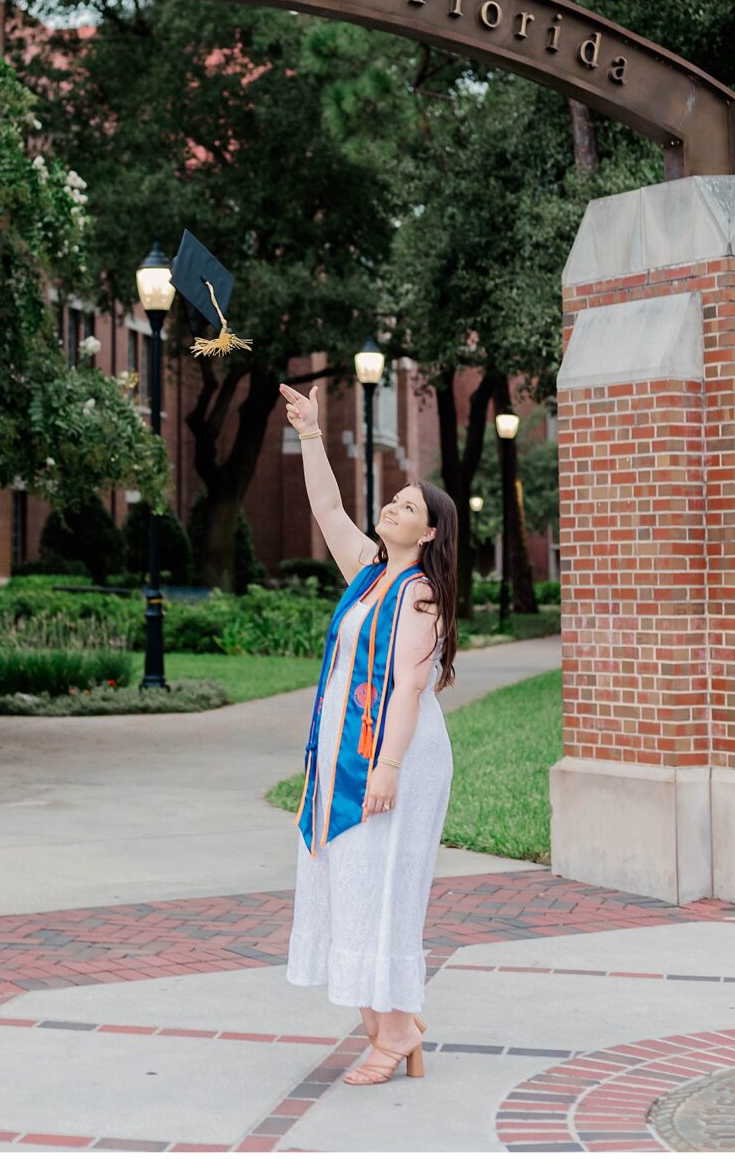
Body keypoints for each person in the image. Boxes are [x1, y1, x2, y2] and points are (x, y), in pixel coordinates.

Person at [279, 379, 457, 1088]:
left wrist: (384, 769)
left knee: (375, 887)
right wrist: (311, 432)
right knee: (342, 882)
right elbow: (325, 506)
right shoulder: (366, 575)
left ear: (430, 533)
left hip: (392, 757)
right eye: (393, 499)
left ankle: (396, 1031)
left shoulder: (418, 594)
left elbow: (408, 688)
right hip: (341, 751)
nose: (391, 505)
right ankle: (391, 1028)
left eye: (407, 506)